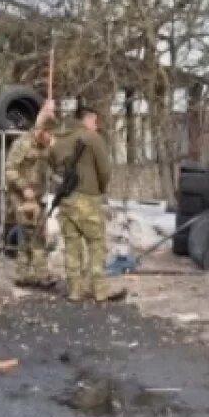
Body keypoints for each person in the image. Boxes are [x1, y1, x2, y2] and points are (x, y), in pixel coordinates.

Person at [48, 103, 124, 302]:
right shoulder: (92, 138)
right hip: (88, 199)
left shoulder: (58, 140)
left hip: (65, 201)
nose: (96, 125)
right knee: (96, 243)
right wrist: (100, 189)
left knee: (72, 245)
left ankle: (75, 290)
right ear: (87, 119)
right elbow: (105, 170)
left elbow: (51, 166)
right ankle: (100, 290)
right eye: (95, 121)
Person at [4, 102, 57, 288]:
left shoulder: (46, 146)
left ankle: (25, 274)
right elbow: (10, 169)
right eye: (48, 134)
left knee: (36, 233)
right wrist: (23, 187)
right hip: (22, 196)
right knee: (32, 234)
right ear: (40, 131)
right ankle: (38, 274)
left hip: (39, 195)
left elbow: (52, 166)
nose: (50, 138)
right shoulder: (22, 144)